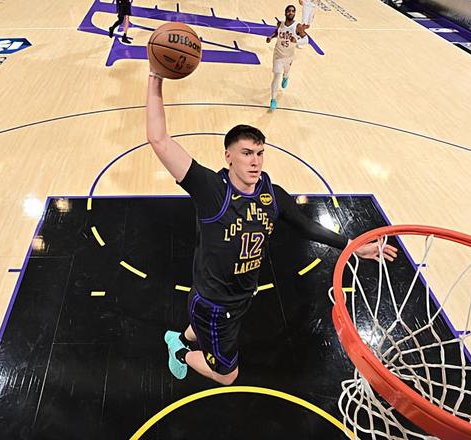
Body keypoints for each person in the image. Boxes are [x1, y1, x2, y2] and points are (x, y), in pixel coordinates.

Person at [146, 72, 398, 386]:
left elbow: (306, 226)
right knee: (227, 375)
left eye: (260, 153)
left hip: (240, 295)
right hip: (215, 304)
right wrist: (155, 76)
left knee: (202, 329)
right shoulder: (211, 190)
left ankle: (181, 337)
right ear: (228, 156)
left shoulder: (272, 194)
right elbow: (159, 140)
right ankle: (180, 352)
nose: (255, 161)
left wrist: (353, 246)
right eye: (246, 153)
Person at [266, 5, 309, 111]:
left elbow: (306, 40)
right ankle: (273, 99)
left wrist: (296, 41)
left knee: (285, 71)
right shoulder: (280, 24)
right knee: (277, 75)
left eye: (293, 11)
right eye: (289, 11)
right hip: (278, 54)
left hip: (289, 56)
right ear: (285, 13)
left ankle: (286, 77)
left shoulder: (298, 26)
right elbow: (277, 32)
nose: (291, 13)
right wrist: (271, 37)